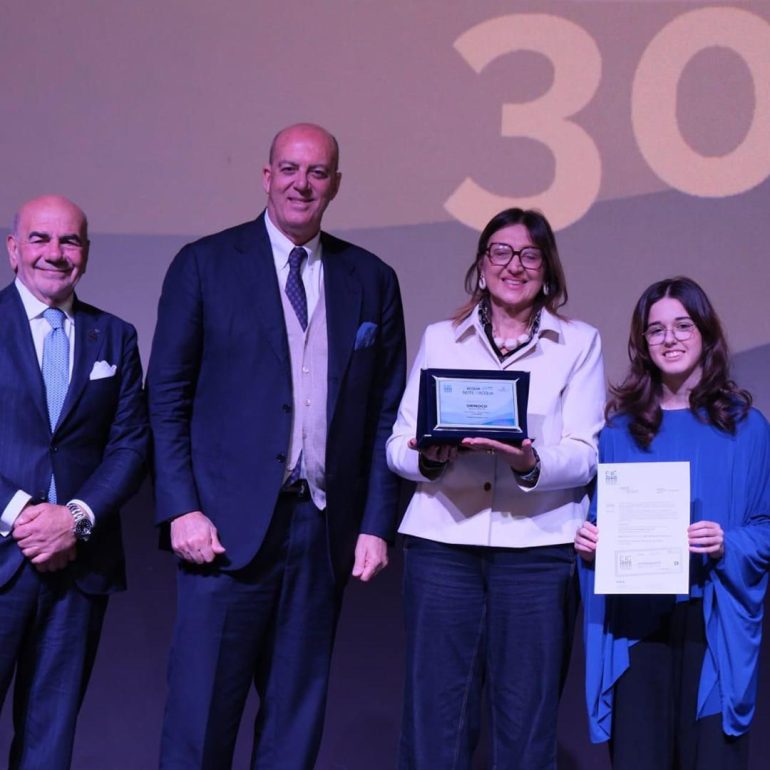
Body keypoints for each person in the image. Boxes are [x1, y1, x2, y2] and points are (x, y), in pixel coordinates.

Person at [148, 123, 407, 769]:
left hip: (319, 533)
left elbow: (386, 415)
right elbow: (167, 397)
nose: (302, 184)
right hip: (222, 533)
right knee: (201, 722)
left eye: (317, 172)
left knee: (294, 728)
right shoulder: (205, 264)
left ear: (335, 185)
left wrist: (376, 524)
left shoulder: (371, 278)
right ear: (267, 176)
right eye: (289, 169)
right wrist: (181, 507)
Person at [386, 207, 605, 768]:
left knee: (526, 722)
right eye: (501, 252)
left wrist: (531, 462)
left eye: (530, 255)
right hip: (443, 545)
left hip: (536, 550)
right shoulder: (442, 339)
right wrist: (429, 457)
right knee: (437, 718)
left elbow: (585, 454)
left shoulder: (578, 343)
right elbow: (397, 446)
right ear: (482, 265)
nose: (514, 265)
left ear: (547, 269)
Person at [575, 276, 770, 770]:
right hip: (638, 624)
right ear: (643, 343)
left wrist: (727, 543)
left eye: (683, 325)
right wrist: (590, 542)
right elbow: (601, 522)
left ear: (706, 333)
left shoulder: (747, 428)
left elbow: (766, 528)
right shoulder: (618, 431)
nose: (670, 339)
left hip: (713, 621)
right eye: (656, 329)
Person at [0, 195, 148, 768]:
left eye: (70, 241)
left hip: (77, 565)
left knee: (49, 742)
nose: (55, 253)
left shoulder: (115, 336)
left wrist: (74, 518)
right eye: (40, 239)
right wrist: (23, 514)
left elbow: (130, 444)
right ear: (14, 249)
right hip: (4, 553)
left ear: (86, 252)